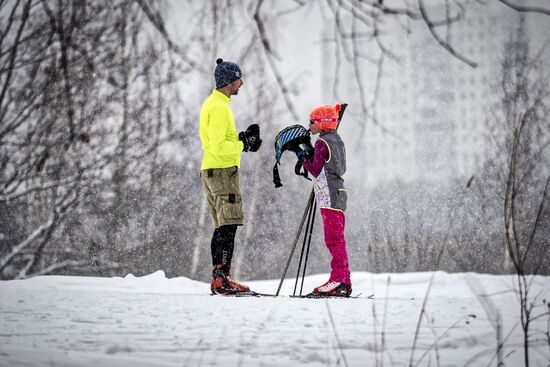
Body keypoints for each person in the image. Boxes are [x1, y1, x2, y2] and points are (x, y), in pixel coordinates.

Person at [199, 58, 262, 294]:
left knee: (223, 226)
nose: (241, 83)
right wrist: (242, 145)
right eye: (238, 79)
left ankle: (220, 276)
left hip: (215, 170)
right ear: (228, 81)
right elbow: (217, 147)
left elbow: (222, 140)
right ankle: (222, 278)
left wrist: (242, 138)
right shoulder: (218, 108)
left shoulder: (216, 104)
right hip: (222, 171)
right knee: (228, 225)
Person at [298, 104, 352, 297]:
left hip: (328, 194)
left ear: (322, 123)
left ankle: (338, 279)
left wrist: (302, 156)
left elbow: (314, 170)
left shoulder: (322, 143)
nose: (309, 125)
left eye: (312, 121)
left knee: (333, 239)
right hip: (339, 190)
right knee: (338, 238)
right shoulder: (337, 140)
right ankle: (344, 279)